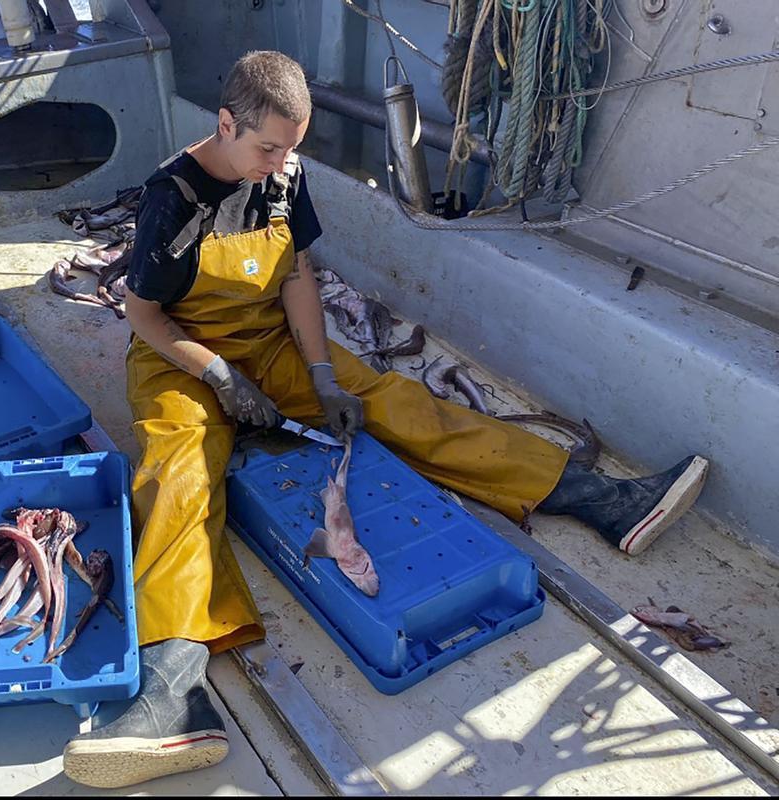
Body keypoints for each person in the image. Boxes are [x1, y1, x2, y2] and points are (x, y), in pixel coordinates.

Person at [62, 50, 709, 789]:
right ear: (224, 123)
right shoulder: (170, 198)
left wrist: (324, 377)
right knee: (177, 476)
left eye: (291, 149)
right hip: (181, 358)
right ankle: (174, 682)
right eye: (267, 147)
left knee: (395, 401)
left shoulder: (283, 175)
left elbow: (298, 275)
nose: (280, 162)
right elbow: (142, 314)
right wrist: (217, 376)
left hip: (268, 343)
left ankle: (594, 499)